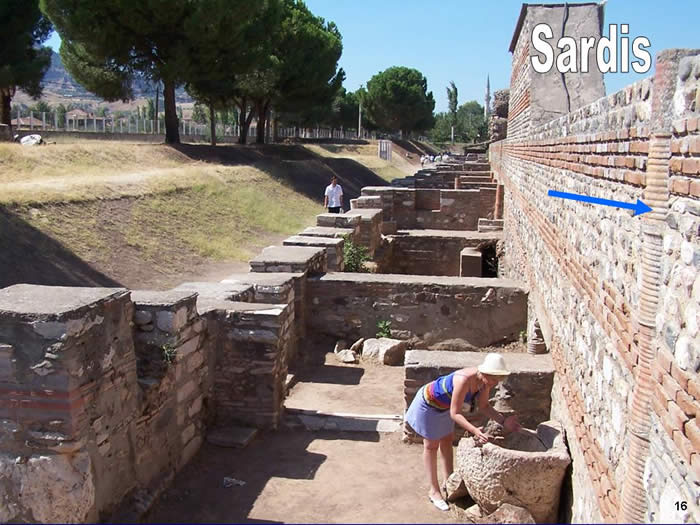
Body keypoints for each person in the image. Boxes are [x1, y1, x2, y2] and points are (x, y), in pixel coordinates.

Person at [404, 353, 521, 511]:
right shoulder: (464, 379)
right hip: (428, 405)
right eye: (494, 378)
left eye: (498, 379)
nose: (495, 383)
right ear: (485, 372)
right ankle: (434, 491)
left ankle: (450, 481)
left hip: (445, 407)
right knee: (431, 446)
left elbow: (484, 406)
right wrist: (474, 431)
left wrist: (503, 421)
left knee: (447, 439)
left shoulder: (484, 383)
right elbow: (455, 413)